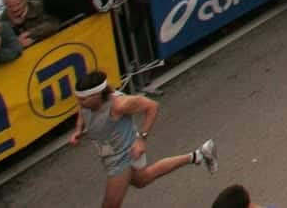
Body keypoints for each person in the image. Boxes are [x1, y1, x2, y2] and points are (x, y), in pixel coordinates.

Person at [68, 69, 218, 207]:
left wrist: (141, 139)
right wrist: (78, 130)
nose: (80, 102)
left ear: (97, 95)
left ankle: (198, 155)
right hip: (111, 156)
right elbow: (82, 111)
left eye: (83, 99)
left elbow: (152, 106)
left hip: (124, 157)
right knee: (142, 180)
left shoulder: (119, 104)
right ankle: (198, 155)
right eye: (79, 99)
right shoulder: (87, 104)